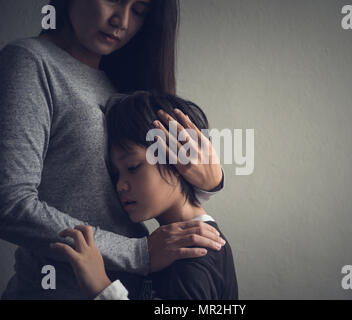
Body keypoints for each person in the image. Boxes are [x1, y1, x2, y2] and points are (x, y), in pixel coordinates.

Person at [0, 0, 225, 300]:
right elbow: (9, 203)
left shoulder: (118, 79)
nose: (122, 20)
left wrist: (209, 181)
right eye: (114, 0)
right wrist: (139, 253)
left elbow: (146, 175)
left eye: (140, 11)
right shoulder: (31, 62)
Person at [50, 91, 238, 300]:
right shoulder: (172, 247)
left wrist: (102, 289)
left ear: (178, 158)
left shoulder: (194, 254)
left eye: (133, 167)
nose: (120, 185)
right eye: (115, 174)